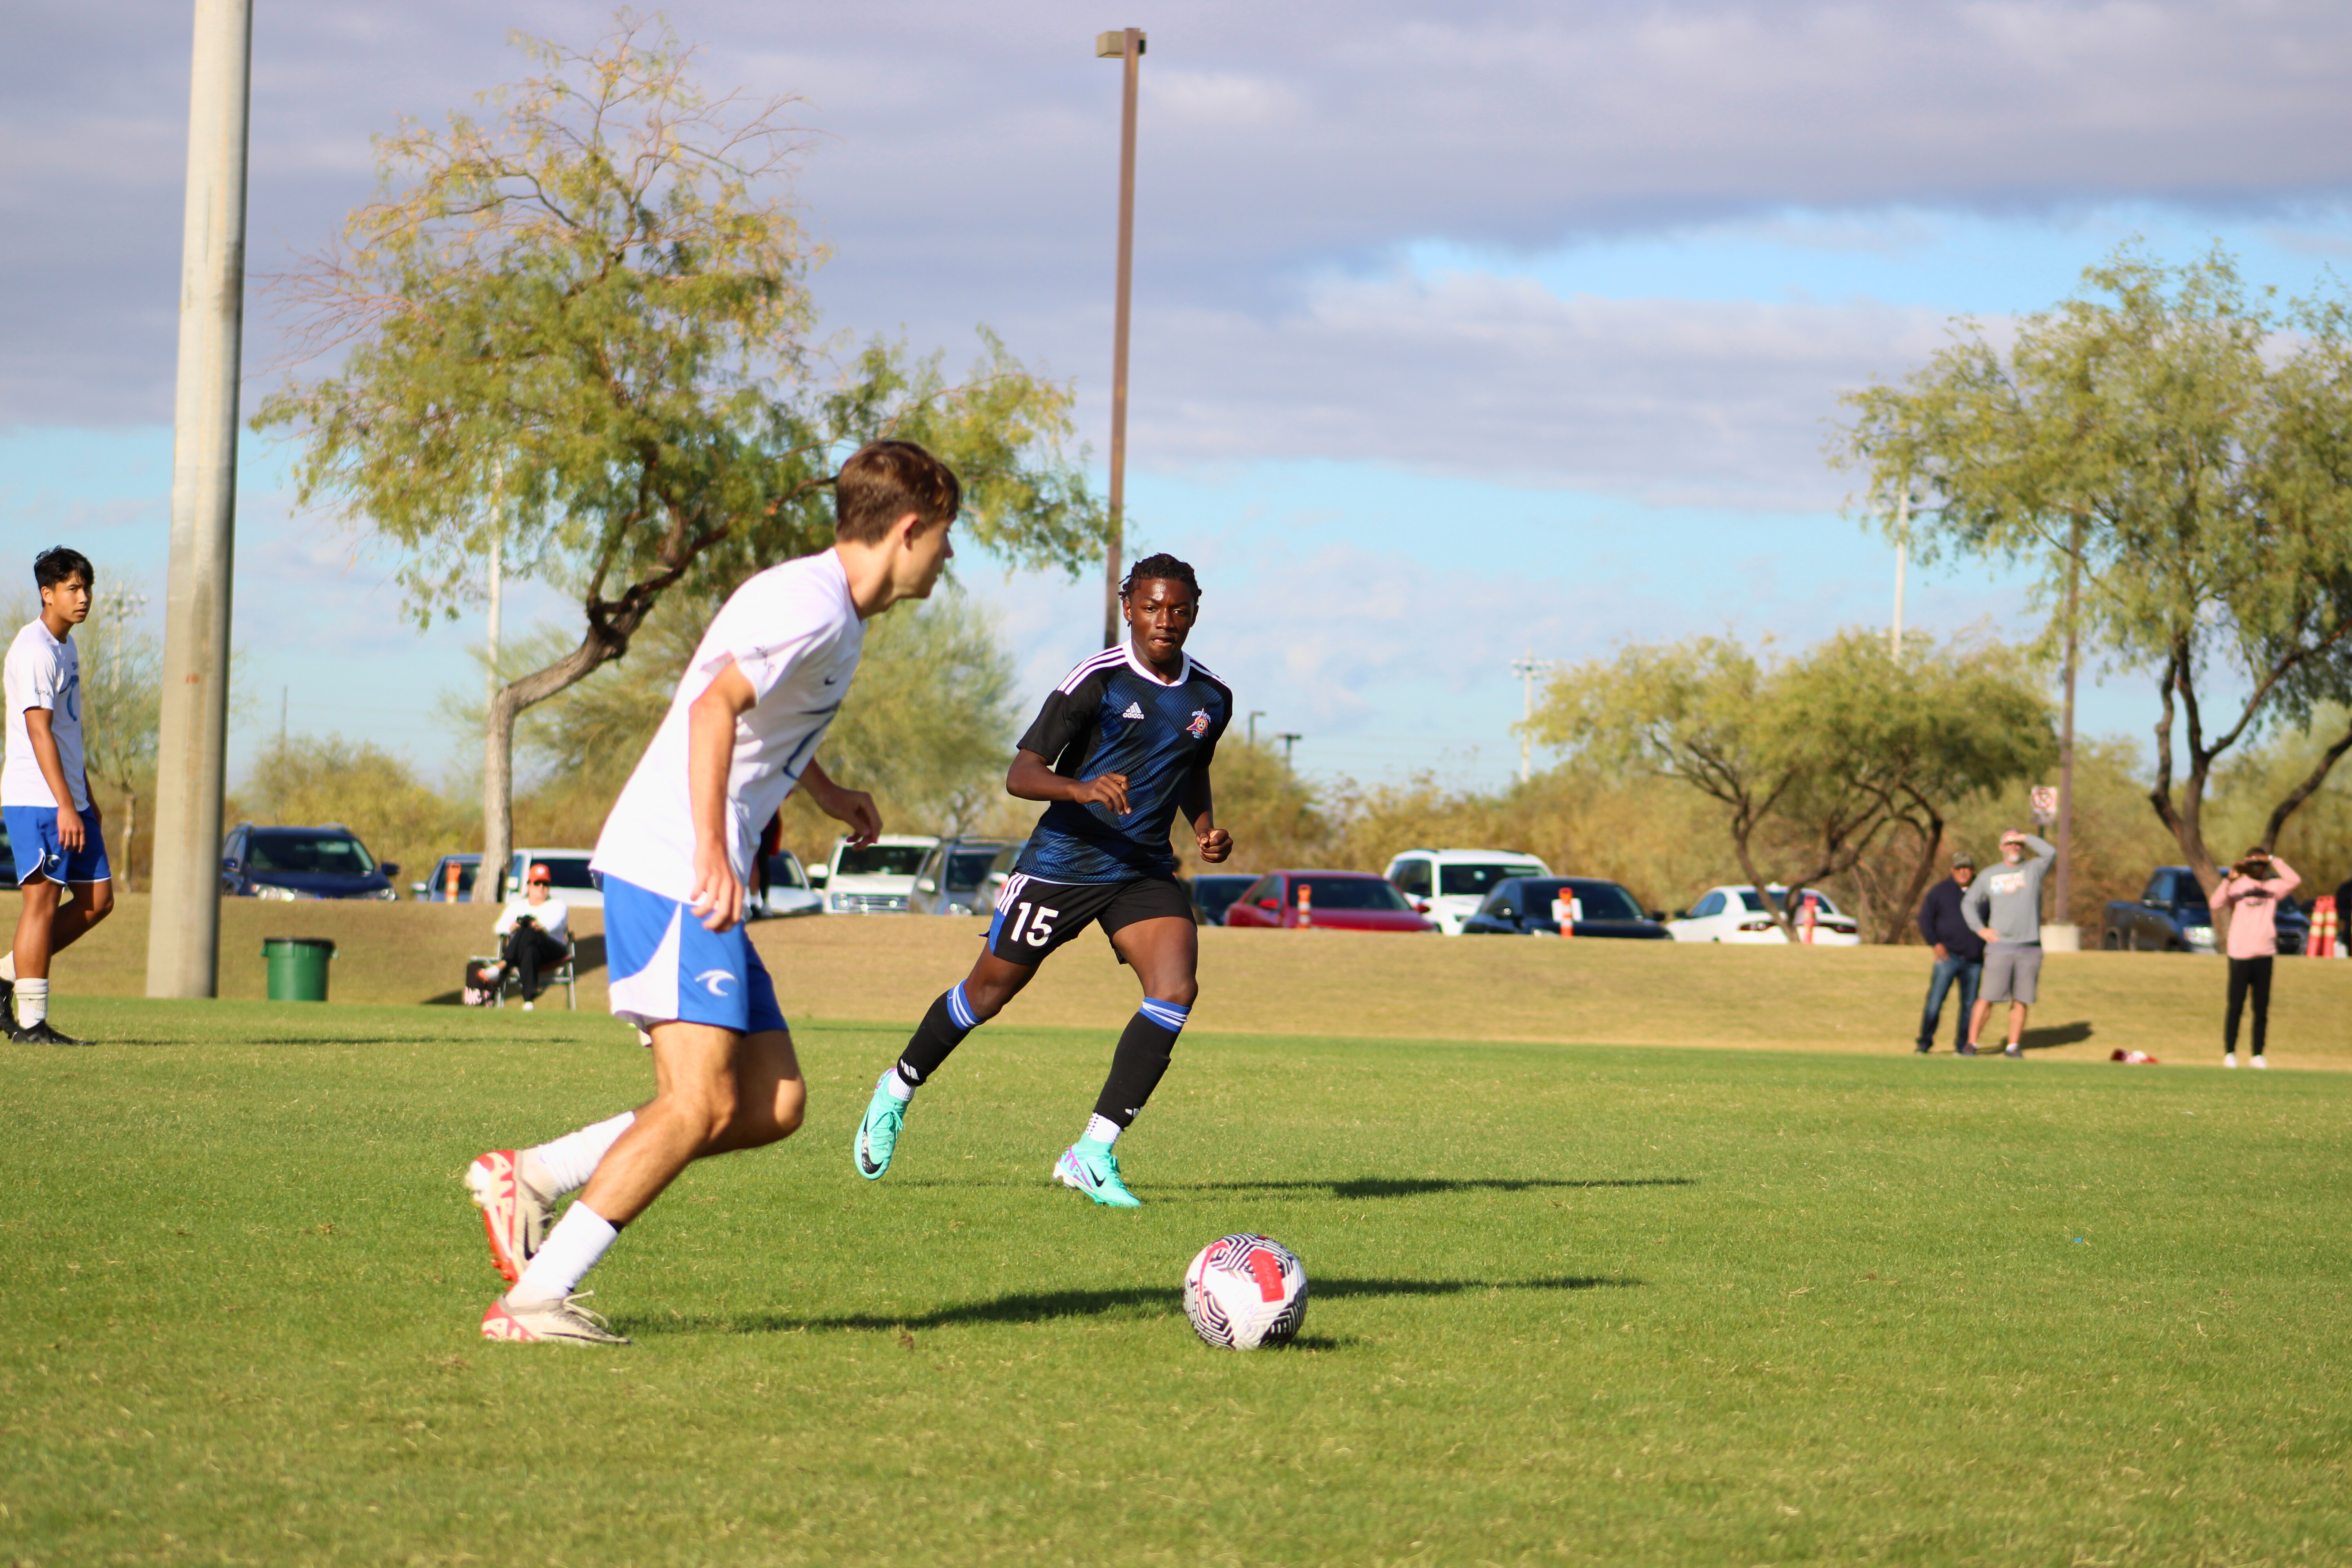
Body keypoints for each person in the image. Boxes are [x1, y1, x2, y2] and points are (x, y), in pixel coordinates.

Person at [463, 439, 960, 1345]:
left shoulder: (838, 616)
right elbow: (711, 709)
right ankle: (536, 1298)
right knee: (694, 1102)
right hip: (674, 866)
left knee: (769, 1103)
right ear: (910, 529)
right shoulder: (809, 604)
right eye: (946, 539)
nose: (948, 559)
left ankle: (533, 1174)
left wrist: (826, 791)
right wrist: (711, 852)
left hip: (693, 865)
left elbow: (765, 724)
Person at [850, 552, 1234, 1208]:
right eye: (1151, 607)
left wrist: (1204, 826)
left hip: (1141, 867)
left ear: (1194, 614)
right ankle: (898, 1087)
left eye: (1178, 609)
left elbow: (1189, 764)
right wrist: (1080, 789)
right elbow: (1021, 773)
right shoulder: (1099, 680)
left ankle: (1092, 1152)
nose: (1164, 620)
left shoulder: (1213, 697)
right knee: (987, 994)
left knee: (1175, 989)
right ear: (1128, 609)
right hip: (1063, 862)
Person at [1, 547, 114, 1045]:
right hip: (38, 798)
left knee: (98, 900)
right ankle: (31, 1024)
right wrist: (66, 804)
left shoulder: (66, 647)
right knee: (43, 902)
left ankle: (7, 973)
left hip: (70, 798)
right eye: (72, 588)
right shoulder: (35, 650)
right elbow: (39, 731)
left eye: (86, 587)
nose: (83, 597)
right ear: (47, 594)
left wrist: (84, 794)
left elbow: (69, 731)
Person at [1962, 829, 2055, 1058]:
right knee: (1987, 997)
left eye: (2017, 844)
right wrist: (1980, 929)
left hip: (2029, 947)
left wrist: (2024, 837)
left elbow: (2050, 852)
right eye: (2009, 843)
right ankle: (1971, 1044)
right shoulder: (1989, 875)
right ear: (2001, 847)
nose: (2014, 847)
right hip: (2000, 946)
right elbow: (1969, 903)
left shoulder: (2033, 870)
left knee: (2022, 999)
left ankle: (2013, 1046)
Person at [2214, 847, 2299, 1069]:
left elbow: (2294, 880)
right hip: (2240, 953)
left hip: (2265, 953)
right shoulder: (2237, 886)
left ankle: (2257, 1055)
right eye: (2253, 865)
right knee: (2236, 1006)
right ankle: (2230, 1053)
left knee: (2261, 1008)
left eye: (2261, 865)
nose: (2258, 869)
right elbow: (2216, 904)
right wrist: (2228, 880)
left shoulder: (2273, 888)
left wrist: (2272, 859)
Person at [1913, 850, 1983, 1054]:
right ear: (1952, 870)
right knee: (1935, 1001)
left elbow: (1993, 919)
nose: (1963, 872)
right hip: (1948, 956)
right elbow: (1925, 919)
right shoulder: (1940, 892)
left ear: (1973, 871)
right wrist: (1935, 943)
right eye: (1959, 869)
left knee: (1970, 1005)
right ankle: (1924, 1043)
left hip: (1974, 959)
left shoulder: (1982, 892)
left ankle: (1963, 1046)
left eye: (1967, 869)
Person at [488, 862, 571, 1009]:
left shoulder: (558, 905)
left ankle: (503, 965)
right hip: (527, 952)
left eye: (545, 884)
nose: (541, 888)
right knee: (530, 948)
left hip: (552, 949)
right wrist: (511, 928)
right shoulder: (517, 906)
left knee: (530, 931)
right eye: (537, 883)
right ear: (529, 885)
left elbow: (557, 924)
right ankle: (528, 1000)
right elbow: (498, 927)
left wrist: (541, 926)